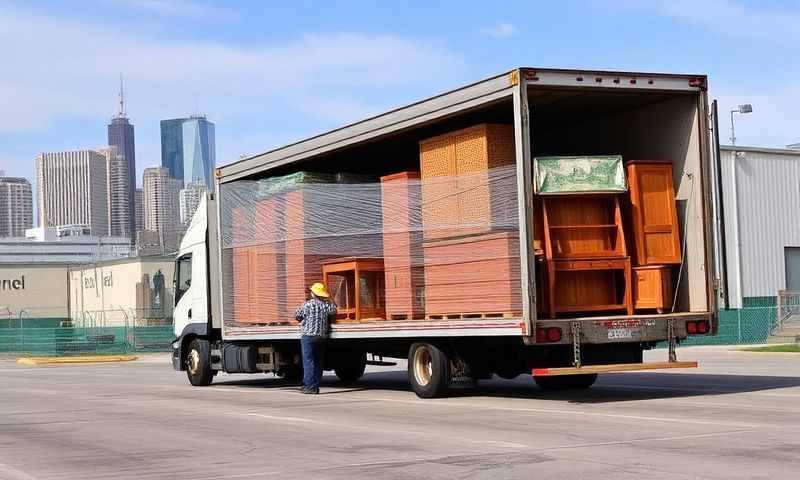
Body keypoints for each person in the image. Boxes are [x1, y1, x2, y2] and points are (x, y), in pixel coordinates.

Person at [294, 282, 337, 394]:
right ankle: (315, 386)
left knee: (309, 362)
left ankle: (309, 387)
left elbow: (297, 315)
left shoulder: (308, 304)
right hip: (321, 337)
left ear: (313, 294)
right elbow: (334, 310)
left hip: (308, 336)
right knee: (318, 362)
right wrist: (330, 299)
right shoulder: (326, 305)